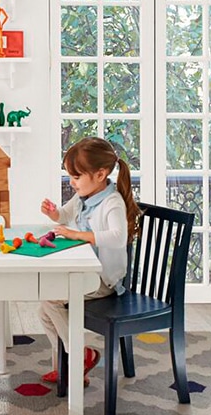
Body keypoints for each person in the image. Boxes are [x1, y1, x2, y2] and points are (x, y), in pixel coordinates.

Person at [37, 137, 140, 386]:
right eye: (70, 177)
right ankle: (71, 365)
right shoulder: (84, 197)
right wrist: (53, 213)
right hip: (87, 275)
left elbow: (118, 237)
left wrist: (77, 234)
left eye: (76, 177)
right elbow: (64, 214)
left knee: (50, 299)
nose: (72, 183)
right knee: (44, 310)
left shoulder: (111, 202)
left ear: (100, 174)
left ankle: (80, 356)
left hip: (104, 280)